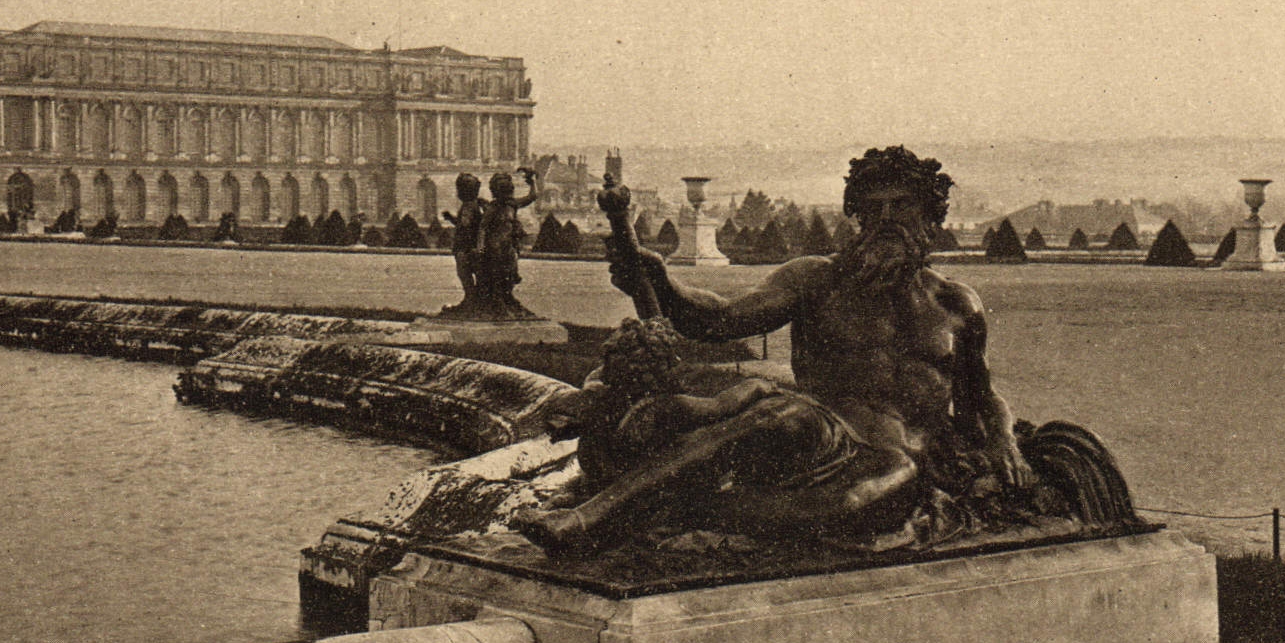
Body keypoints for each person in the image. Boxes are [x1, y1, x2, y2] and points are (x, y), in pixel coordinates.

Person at [513, 146, 1034, 553]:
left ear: (930, 215)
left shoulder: (956, 305)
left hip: (901, 455)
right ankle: (588, 520)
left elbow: (980, 397)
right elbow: (718, 319)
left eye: (902, 206)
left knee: (873, 491)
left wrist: (1005, 439)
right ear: (855, 216)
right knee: (782, 415)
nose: (886, 219)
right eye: (873, 208)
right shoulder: (816, 280)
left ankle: (676, 511)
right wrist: (664, 284)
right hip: (819, 428)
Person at [479, 167, 537, 312]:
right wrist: (480, 246)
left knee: (510, 271)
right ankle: (497, 299)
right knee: (497, 273)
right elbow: (483, 227)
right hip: (495, 245)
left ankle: (507, 297)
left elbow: (532, 196)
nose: (510, 194)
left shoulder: (512, 205)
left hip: (508, 245)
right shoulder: (492, 208)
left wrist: (532, 182)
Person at [439, 173, 486, 310]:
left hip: (465, 247)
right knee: (475, 274)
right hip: (470, 246)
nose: (457, 192)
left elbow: (464, 225)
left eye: (459, 189)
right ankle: (473, 300)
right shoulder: (474, 205)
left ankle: (470, 300)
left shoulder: (468, 206)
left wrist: (453, 220)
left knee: (464, 273)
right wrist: (452, 219)